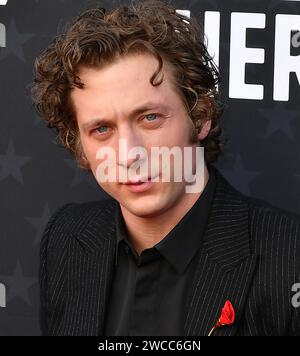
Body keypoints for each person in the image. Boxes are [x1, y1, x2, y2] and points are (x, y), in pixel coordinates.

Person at [31, 0, 300, 336]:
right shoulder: (66, 237)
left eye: (150, 118)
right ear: (80, 145)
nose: (128, 154)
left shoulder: (289, 256)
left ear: (199, 116)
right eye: (101, 129)